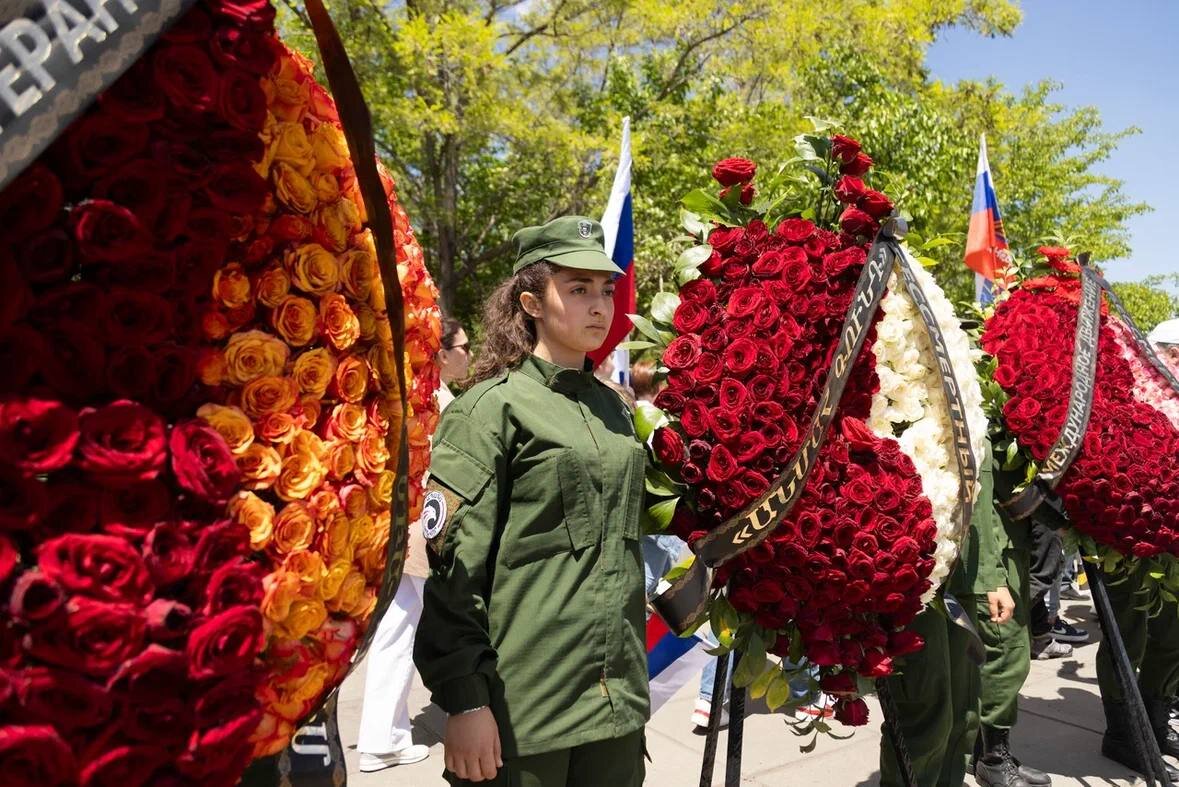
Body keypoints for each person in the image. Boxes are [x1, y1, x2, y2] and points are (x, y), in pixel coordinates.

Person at [413, 216, 649, 786]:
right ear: (531, 302)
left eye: (605, 291)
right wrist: (466, 701)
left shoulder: (616, 410)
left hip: (617, 705)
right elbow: (451, 575)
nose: (599, 306)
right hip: (526, 713)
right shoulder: (488, 412)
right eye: (577, 289)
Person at [355, 316, 471, 772]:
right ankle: (384, 738)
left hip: (410, 524)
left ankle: (381, 736)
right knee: (422, 627)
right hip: (422, 526)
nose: (469, 354)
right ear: (442, 354)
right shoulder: (437, 402)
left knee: (397, 630)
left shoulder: (429, 396)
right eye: (463, 347)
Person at [878, 438, 1012, 787]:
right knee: (925, 711)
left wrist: (990, 575)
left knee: (963, 711)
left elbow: (980, 488)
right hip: (906, 561)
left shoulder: (967, 390)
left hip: (959, 565)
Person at [966, 462, 1068, 787]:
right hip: (995, 547)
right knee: (1005, 656)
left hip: (1014, 540)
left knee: (1013, 657)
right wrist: (991, 576)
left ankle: (989, 753)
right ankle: (993, 760)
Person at [1095, 561, 1179, 780]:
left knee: (1173, 631)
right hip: (1126, 543)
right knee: (1128, 634)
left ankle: (1154, 726)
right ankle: (1122, 736)